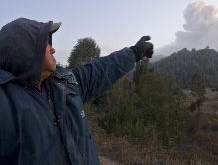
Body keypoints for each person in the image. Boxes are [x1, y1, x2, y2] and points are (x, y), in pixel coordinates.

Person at [0, 18, 153, 165]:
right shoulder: (5, 106)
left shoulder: (65, 83)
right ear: (28, 52)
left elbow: (100, 70)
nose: (53, 49)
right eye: (45, 44)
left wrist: (133, 53)